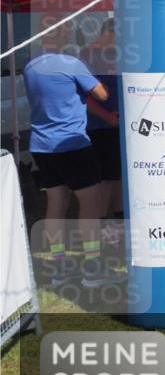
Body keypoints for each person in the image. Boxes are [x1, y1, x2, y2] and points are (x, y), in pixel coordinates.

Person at [24, 19, 123, 287]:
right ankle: (92, 267)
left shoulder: (31, 64)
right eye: (67, 30)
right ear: (61, 34)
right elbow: (101, 94)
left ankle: (59, 268)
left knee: (56, 203)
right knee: (90, 204)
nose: (70, 35)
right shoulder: (71, 63)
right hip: (72, 144)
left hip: (41, 145)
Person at [79, 19, 124, 235]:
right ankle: (103, 223)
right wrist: (106, 116)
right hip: (100, 125)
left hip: (118, 124)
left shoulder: (116, 54)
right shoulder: (88, 55)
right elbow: (86, 95)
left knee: (118, 174)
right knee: (106, 177)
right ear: (108, 33)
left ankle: (120, 218)